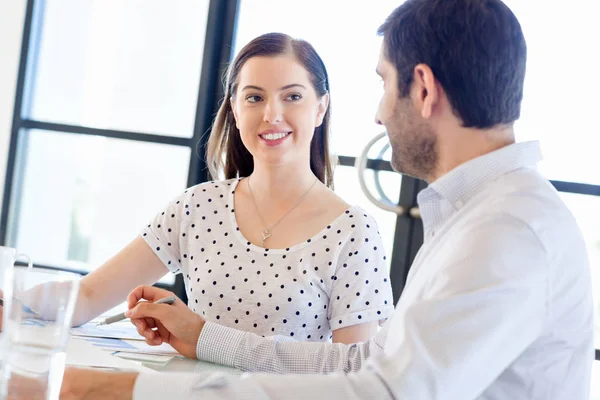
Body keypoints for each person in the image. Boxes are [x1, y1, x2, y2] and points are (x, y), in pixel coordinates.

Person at [60, 0, 593, 398]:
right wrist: (206, 338)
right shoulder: (477, 217)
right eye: (254, 97)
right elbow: (364, 362)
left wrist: (121, 391)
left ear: (423, 89)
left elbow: (381, 391)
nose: (379, 114)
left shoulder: (504, 232)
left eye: (385, 84)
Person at [0, 33, 394, 353]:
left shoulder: (354, 233)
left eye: (292, 96)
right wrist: (10, 305)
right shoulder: (197, 207)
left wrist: (202, 335)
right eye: (254, 97)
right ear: (235, 110)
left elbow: (353, 375)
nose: (272, 114)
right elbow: (86, 296)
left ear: (321, 108)